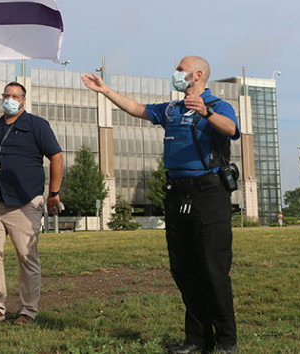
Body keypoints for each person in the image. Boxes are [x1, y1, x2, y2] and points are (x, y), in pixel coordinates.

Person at [82, 56, 240, 354]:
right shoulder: (172, 109)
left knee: (213, 269)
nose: (175, 74)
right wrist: (106, 90)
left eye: (180, 69)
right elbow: (138, 109)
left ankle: (225, 342)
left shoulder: (217, 105)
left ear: (197, 74)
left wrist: (205, 112)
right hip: (177, 193)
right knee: (184, 269)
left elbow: (231, 129)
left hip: (209, 193)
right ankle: (196, 339)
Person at [0, 81, 63, 325]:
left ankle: (27, 311)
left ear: (24, 100)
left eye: (16, 96)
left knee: (27, 258)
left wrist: (53, 193)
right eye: (7, 95)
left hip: (25, 202)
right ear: (2, 97)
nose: (10, 99)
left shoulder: (37, 125)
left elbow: (56, 156)